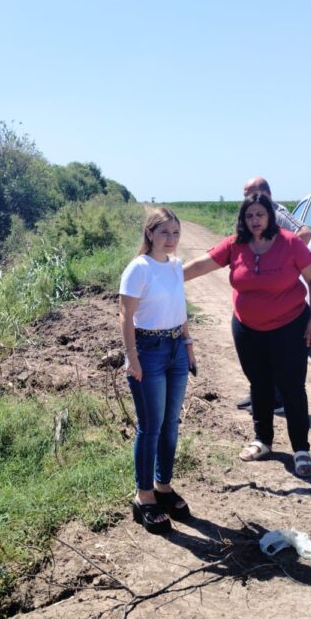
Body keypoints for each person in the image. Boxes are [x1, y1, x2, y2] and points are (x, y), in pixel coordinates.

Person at [184, 193, 311, 476]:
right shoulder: (235, 245)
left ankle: (301, 449)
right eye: (249, 216)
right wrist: (165, 275)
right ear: (243, 219)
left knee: (292, 387)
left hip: (289, 326)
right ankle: (263, 441)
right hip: (248, 329)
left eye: (260, 214)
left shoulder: (290, 243)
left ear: (270, 216)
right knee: (258, 385)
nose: (255, 220)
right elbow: (202, 264)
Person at [120, 208, 196, 534]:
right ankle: (144, 496)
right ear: (150, 233)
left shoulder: (176, 266)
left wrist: (189, 346)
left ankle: (163, 487)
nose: (171, 239)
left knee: (171, 425)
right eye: (165, 232)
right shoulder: (138, 269)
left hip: (176, 349)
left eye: (176, 233)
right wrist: (131, 357)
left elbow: (180, 309)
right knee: (150, 426)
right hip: (148, 352)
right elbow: (125, 315)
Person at [236, 177, 311, 414]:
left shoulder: (278, 212)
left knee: (280, 355)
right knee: (259, 358)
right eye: (245, 193)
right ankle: (259, 394)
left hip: (282, 293)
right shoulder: (252, 214)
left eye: (251, 192)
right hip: (259, 294)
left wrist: (279, 253)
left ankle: (277, 399)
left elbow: (305, 232)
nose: (247, 197)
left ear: (266, 193)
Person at [243, 177, 311, 245]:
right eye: (246, 197)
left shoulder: (277, 214)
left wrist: (282, 254)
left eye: (252, 196)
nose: (248, 200)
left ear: (267, 194)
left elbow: (305, 234)